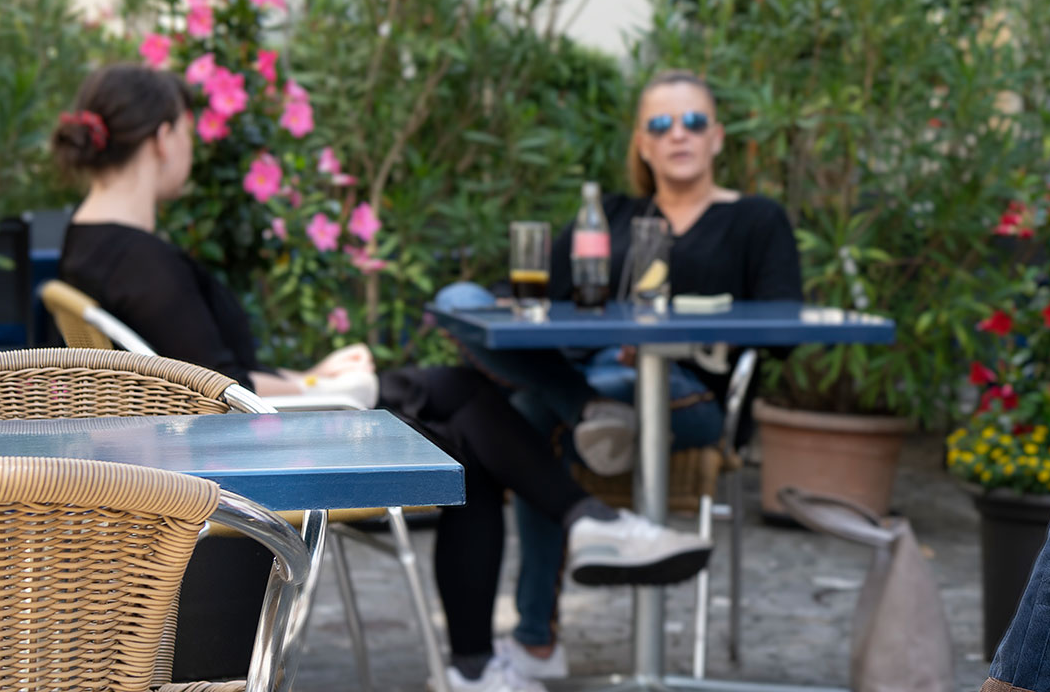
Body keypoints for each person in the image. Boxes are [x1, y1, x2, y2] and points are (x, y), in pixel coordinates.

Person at [49, 65, 714, 692]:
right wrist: (324, 391)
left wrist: (312, 376)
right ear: (163, 137)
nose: (189, 146)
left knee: (463, 401)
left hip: (213, 433)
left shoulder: (89, 245)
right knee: (467, 439)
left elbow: (193, 368)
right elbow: (220, 384)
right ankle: (535, 590)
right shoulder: (143, 262)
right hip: (238, 448)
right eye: (188, 132)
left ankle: (578, 537)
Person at [433, 68, 803, 679]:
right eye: (661, 123)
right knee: (459, 296)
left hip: (691, 393)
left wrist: (673, 335)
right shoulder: (609, 215)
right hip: (595, 380)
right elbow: (522, 294)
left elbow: (784, 329)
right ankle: (586, 410)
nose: (677, 134)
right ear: (642, 141)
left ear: (718, 137)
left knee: (527, 419)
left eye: (693, 122)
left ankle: (535, 643)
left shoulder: (756, 219)